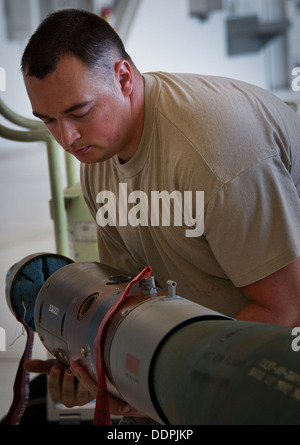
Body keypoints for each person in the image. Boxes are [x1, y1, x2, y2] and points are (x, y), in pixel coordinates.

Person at [21, 9, 300, 420]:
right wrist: (103, 378)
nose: (68, 137)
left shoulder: (214, 152)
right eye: (49, 120)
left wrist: (168, 397)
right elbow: (126, 303)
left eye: (79, 112)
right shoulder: (98, 156)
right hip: (207, 344)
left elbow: (284, 306)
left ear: (123, 78)